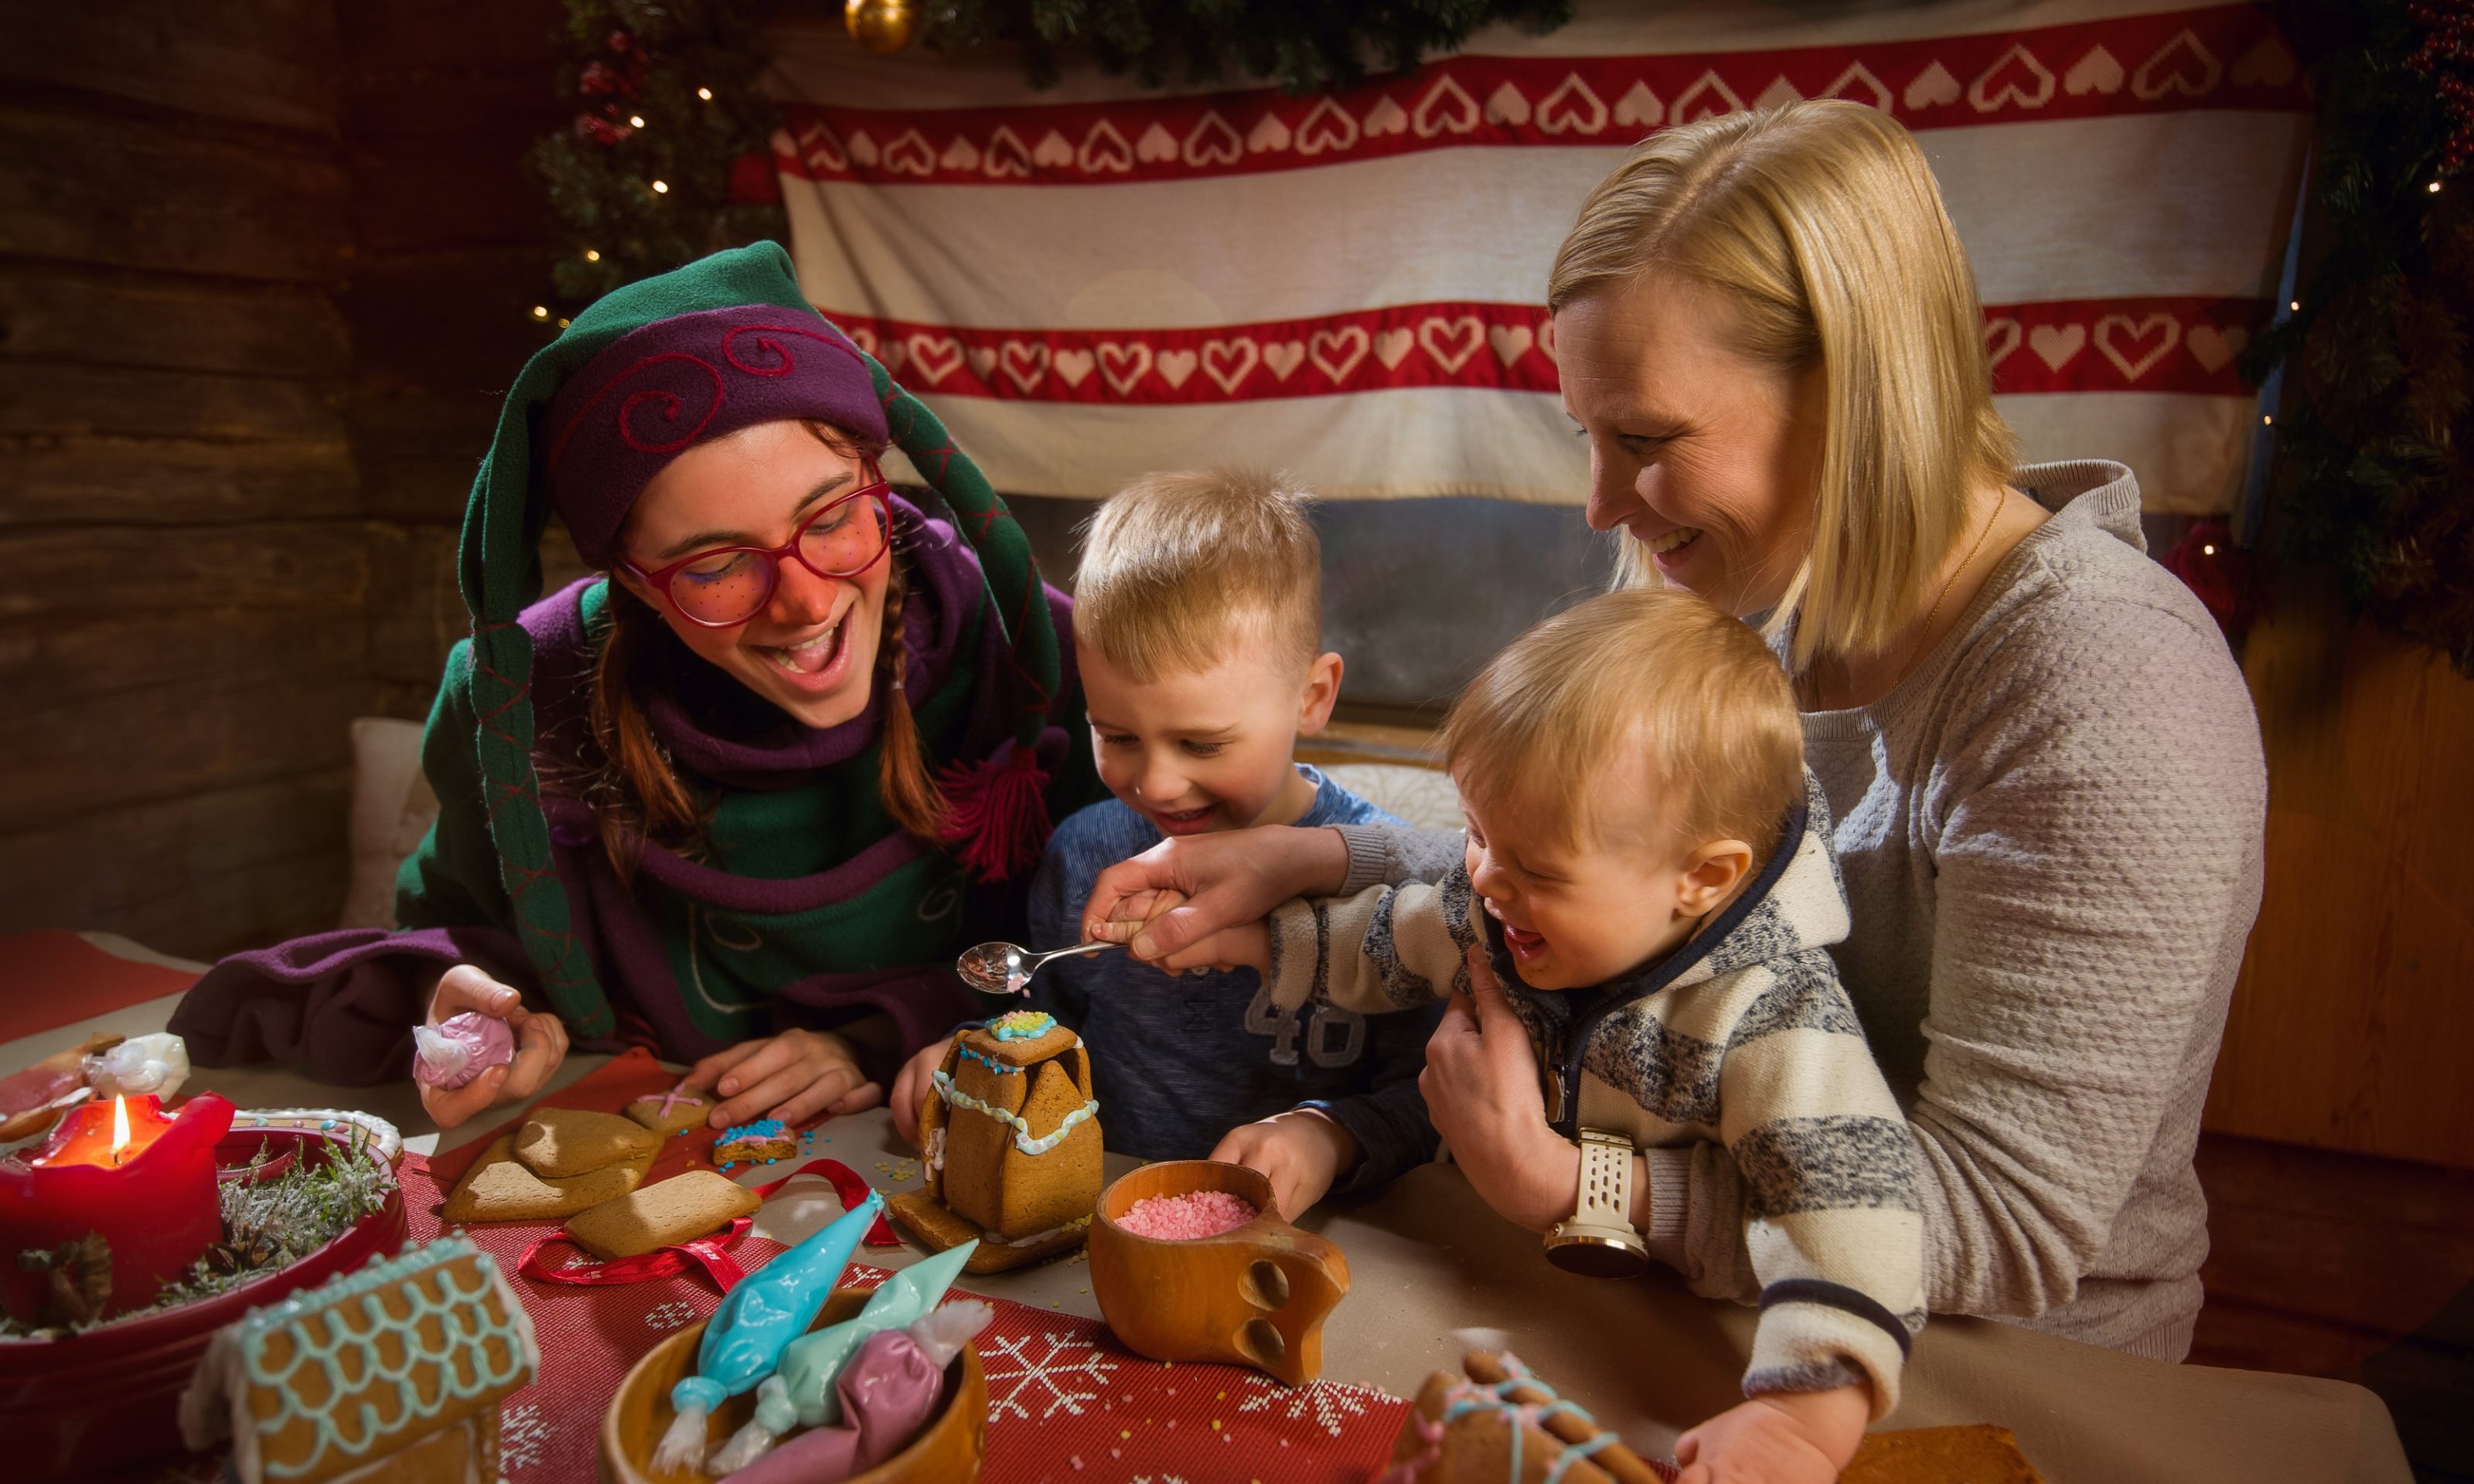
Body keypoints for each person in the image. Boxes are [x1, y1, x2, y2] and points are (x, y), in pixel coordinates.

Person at [1079, 100, 2268, 1367]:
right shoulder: (1747, 600)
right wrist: (1314, 856)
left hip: (1985, 1366)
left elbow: (2008, 1224)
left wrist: (1588, 1195)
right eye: (1591, 438)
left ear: (1860, 391)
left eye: (1645, 442)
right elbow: (1595, 886)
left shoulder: (2101, 688)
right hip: (1674, 1290)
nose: (1604, 507)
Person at [169, 244, 1101, 1132]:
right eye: (713, 567)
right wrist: (460, 1008)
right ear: (632, 580)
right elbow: (463, 930)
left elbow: (1118, 946)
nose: (806, 602)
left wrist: (874, 1033)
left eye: (830, 517)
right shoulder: (519, 703)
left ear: (875, 476)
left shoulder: (1021, 649)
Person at [1167, 589, 1921, 1482]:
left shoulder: (1774, 1017)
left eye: (1534, 867)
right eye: (1477, 834)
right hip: (1469, 1277)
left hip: (1666, 1338)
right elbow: (1396, 936)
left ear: (1700, 878)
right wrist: (1251, 944)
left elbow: (1857, 1221)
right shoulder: (1498, 910)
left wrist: (1799, 1424)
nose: (1482, 879)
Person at [891, 471, 1440, 1219]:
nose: (1155, 782)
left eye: (1201, 743)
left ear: (1311, 698)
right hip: (1100, 1210)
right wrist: (968, 1058)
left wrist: (1328, 1134)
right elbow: (1042, 1023)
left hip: (1321, 1233)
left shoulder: (1390, 881)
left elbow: (1427, 1094)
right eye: (1115, 735)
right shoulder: (1083, 853)